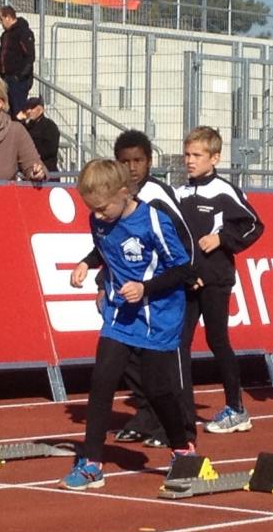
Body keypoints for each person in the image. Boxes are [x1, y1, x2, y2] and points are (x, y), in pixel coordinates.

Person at [60, 159, 196, 490]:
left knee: (157, 389)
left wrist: (145, 288)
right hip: (120, 313)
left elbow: (184, 269)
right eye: (92, 209)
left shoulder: (153, 220)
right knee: (102, 382)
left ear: (124, 193)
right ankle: (92, 463)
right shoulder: (100, 219)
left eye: (103, 208)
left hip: (158, 314)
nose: (98, 215)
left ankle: (182, 448)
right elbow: (105, 247)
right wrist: (86, 263)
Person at [175, 126, 264, 433]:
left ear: (214, 158)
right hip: (187, 281)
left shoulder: (224, 191)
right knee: (178, 342)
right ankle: (182, 409)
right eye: (187, 154)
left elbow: (254, 225)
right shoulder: (179, 193)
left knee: (217, 340)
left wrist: (222, 239)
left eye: (197, 155)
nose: (190, 160)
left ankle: (236, 408)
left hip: (215, 278)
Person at [0, 5, 34, 117]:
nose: (0, 23)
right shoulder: (5, 35)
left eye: (1, 19)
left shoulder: (23, 32)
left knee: (18, 112)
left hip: (18, 81)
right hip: (6, 78)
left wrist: (19, 77)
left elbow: (30, 57)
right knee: (6, 112)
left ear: (8, 17)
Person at [17, 96, 59, 173]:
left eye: (32, 108)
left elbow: (50, 150)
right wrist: (19, 120)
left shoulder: (49, 126)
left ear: (40, 109)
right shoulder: (27, 126)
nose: (28, 111)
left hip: (46, 170)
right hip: (29, 170)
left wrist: (31, 154)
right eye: (27, 108)